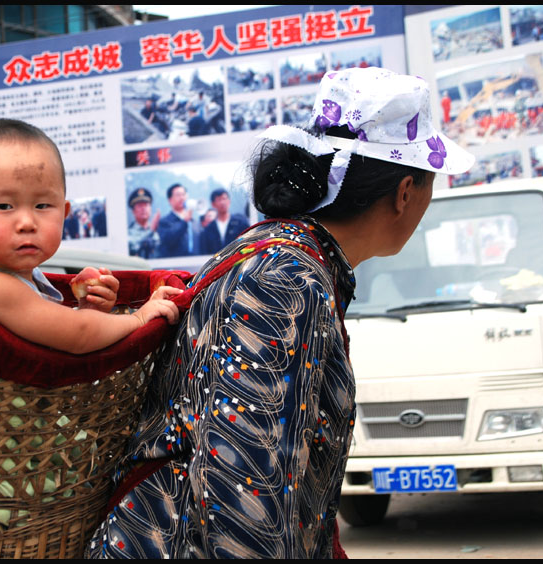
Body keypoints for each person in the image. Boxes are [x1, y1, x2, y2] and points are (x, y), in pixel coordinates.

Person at [87, 67, 474, 559]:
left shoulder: (291, 259)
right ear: (404, 192)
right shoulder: (284, 278)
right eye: (430, 182)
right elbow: (243, 490)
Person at [0, 118, 181, 355]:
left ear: (64, 214)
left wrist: (89, 309)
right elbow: (79, 336)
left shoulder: (21, 276)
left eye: (42, 206)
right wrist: (138, 317)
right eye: (4, 206)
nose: (27, 223)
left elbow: (59, 336)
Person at [199, 188, 250, 255]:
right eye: (219, 200)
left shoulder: (241, 223)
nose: (222, 202)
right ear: (213, 204)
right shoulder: (208, 230)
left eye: (224, 199)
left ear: (229, 201)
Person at [157, 183, 197, 257]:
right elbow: (168, 241)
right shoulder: (164, 222)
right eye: (178, 195)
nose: (182, 198)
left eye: (183, 194)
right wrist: (184, 222)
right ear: (170, 200)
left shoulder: (194, 222)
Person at [127, 187, 160, 259]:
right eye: (139, 206)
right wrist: (151, 231)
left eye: (146, 205)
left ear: (150, 208)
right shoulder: (128, 233)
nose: (143, 208)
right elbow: (134, 249)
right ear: (133, 211)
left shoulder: (159, 228)